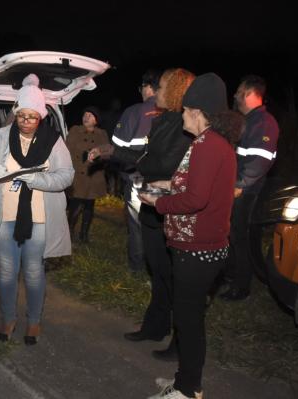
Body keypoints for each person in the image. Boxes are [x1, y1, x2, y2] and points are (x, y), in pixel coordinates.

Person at [139, 73, 244, 399]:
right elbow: (197, 186)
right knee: (188, 318)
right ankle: (185, 380)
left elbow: (196, 200)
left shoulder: (208, 145)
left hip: (198, 250)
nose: (181, 113)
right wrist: (166, 186)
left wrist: (159, 202)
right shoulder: (210, 143)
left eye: (185, 109)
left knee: (188, 322)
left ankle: (188, 390)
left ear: (198, 111)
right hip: (199, 248)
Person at [89, 69, 196, 360]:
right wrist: (111, 151)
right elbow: (147, 159)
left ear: (173, 91)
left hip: (169, 209)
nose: (154, 92)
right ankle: (156, 326)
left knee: (173, 277)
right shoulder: (163, 120)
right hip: (153, 205)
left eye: (160, 87)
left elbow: (161, 164)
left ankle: (180, 341)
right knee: (159, 271)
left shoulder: (184, 126)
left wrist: (119, 156)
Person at [0, 74, 74, 345]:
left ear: (41, 116)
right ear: (15, 114)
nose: (27, 122)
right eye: (22, 116)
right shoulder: (3, 136)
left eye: (32, 117)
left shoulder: (53, 140)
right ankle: (8, 318)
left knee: (33, 272)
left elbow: (67, 176)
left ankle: (33, 321)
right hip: (6, 216)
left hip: (38, 220)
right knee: (7, 272)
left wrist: (36, 179)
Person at [219, 75, 280, 301]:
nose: (234, 96)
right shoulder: (250, 120)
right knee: (234, 235)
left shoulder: (263, 123)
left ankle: (240, 287)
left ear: (248, 93)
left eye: (238, 91)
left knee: (240, 237)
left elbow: (259, 160)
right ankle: (233, 276)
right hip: (242, 189)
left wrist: (239, 184)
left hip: (248, 191)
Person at [111, 69, 163, 274]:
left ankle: (138, 266)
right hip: (163, 180)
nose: (141, 92)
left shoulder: (134, 112)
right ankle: (158, 267)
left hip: (137, 177)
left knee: (136, 224)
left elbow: (116, 147)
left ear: (149, 88)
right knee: (159, 224)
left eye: (142, 87)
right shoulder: (172, 113)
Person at [66, 106, 109, 243]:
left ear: (96, 120)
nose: (86, 117)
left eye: (90, 115)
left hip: (93, 176)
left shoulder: (102, 134)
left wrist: (98, 157)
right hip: (78, 175)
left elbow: (107, 151)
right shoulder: (74, 130)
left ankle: (84, 235)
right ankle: (69, 233)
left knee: (89, 206)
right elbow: (67, 150)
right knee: (75, 206)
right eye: (85, 114)